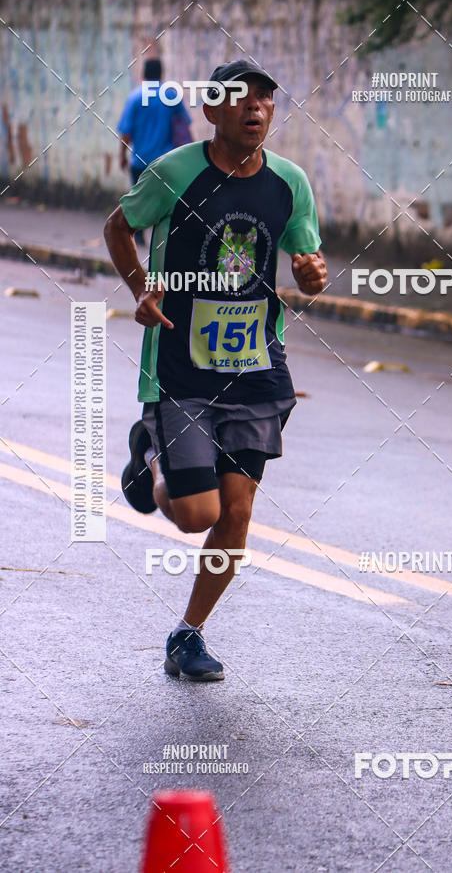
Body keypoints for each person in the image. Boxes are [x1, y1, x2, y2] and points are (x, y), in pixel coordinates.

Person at [104, 59, 327, 682]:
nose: (255, 108)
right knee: (194, 513)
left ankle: (188, 635)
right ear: (211, 110)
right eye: (239, 99)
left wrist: (310, 271)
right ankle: (149, 451)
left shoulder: (290, 182)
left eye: (265, 100)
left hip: (256, 367)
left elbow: (305, 252)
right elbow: (119, 226)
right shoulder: (174, 172)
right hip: (182, 366)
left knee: (236, 512)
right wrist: (141, 289)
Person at [116, 57, 191, 245]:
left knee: (140, 202)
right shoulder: (171, 96)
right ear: (161, 74)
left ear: (144, 74)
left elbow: (126, 132)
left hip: (139, 162)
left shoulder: (135, 98)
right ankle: (164, 240)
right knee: (165, 202)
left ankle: (138, 237)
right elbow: (183, 126)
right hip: (166, 163)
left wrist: (122, 156)